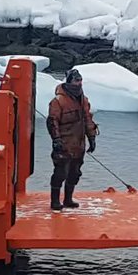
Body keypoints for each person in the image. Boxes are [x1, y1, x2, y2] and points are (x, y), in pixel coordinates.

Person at [47, 69, 98, 211]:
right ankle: (55, 201)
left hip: (79, 143)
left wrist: (92, 137)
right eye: (76, 80)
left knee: (75, 172)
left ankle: (68, 199)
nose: (79, 83)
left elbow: (88, 120)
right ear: (69, 81)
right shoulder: (58, 101)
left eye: (80, 80)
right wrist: (56, 139)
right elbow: (52, 121)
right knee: (60, 172)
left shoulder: (84, 100)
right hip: (64, 142)